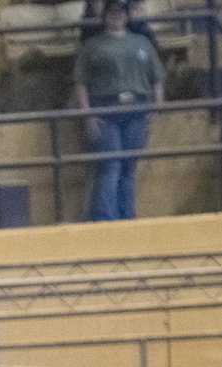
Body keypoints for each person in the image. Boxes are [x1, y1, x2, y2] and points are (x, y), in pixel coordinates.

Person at [73, 0, 165, 223]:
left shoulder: (142, 42)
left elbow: (157, 75)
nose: (117, 16)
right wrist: (87, 112)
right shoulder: (93, 45)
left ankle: (126, 216)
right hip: (106, 106)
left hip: (136, 106)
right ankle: (105, 217)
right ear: (105, 16)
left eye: (120, 12)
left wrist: (157, 103)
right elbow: (81, 80)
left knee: (128, 167)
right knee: (111, 165)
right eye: (112, 12)